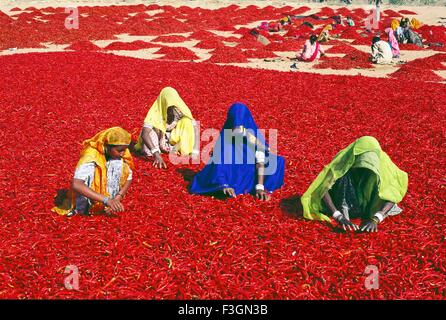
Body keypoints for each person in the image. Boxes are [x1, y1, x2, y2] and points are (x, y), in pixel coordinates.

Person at [301, 136, 408, 232]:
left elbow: (393, 193)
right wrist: (338, 215)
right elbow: (322, 187)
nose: (363, 170)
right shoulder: (345, 159)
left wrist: (376, 218)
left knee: (378, 177)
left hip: (369, 206)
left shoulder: (385, 165)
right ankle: (345, 213)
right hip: (344, 201)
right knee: (343, 175)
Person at [189, 102, 285, 201]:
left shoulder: (251, 135)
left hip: (251, 173)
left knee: (278, 161)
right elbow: (218, 166)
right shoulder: (226, 139)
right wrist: (223, 184)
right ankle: (223, 187)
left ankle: (254, 186)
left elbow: (261, 160)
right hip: (231, 173)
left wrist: (259, 187)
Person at [52, 127, 134, 217]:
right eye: (119, 151)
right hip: (88, 199)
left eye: (124, 150)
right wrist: (106, 200)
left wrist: (117, 198)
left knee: (118, 163)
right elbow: (76, 184)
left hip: (108, 200)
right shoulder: (91, 156)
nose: (123, 153)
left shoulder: (121, 151)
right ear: (107, 145)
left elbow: (129, 176)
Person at [133, 87, 199, 169]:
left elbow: (195, 127)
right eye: (168, 105)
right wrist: (156, 154)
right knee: (147, 149)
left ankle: (183, 149)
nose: (171, 108)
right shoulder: (156, 112)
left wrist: (195, 151)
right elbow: (144, 134)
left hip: (171, 138)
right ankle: (158, 149)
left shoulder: (179, 109)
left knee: (187, 121)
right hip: (158, 136)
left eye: (173, 105)